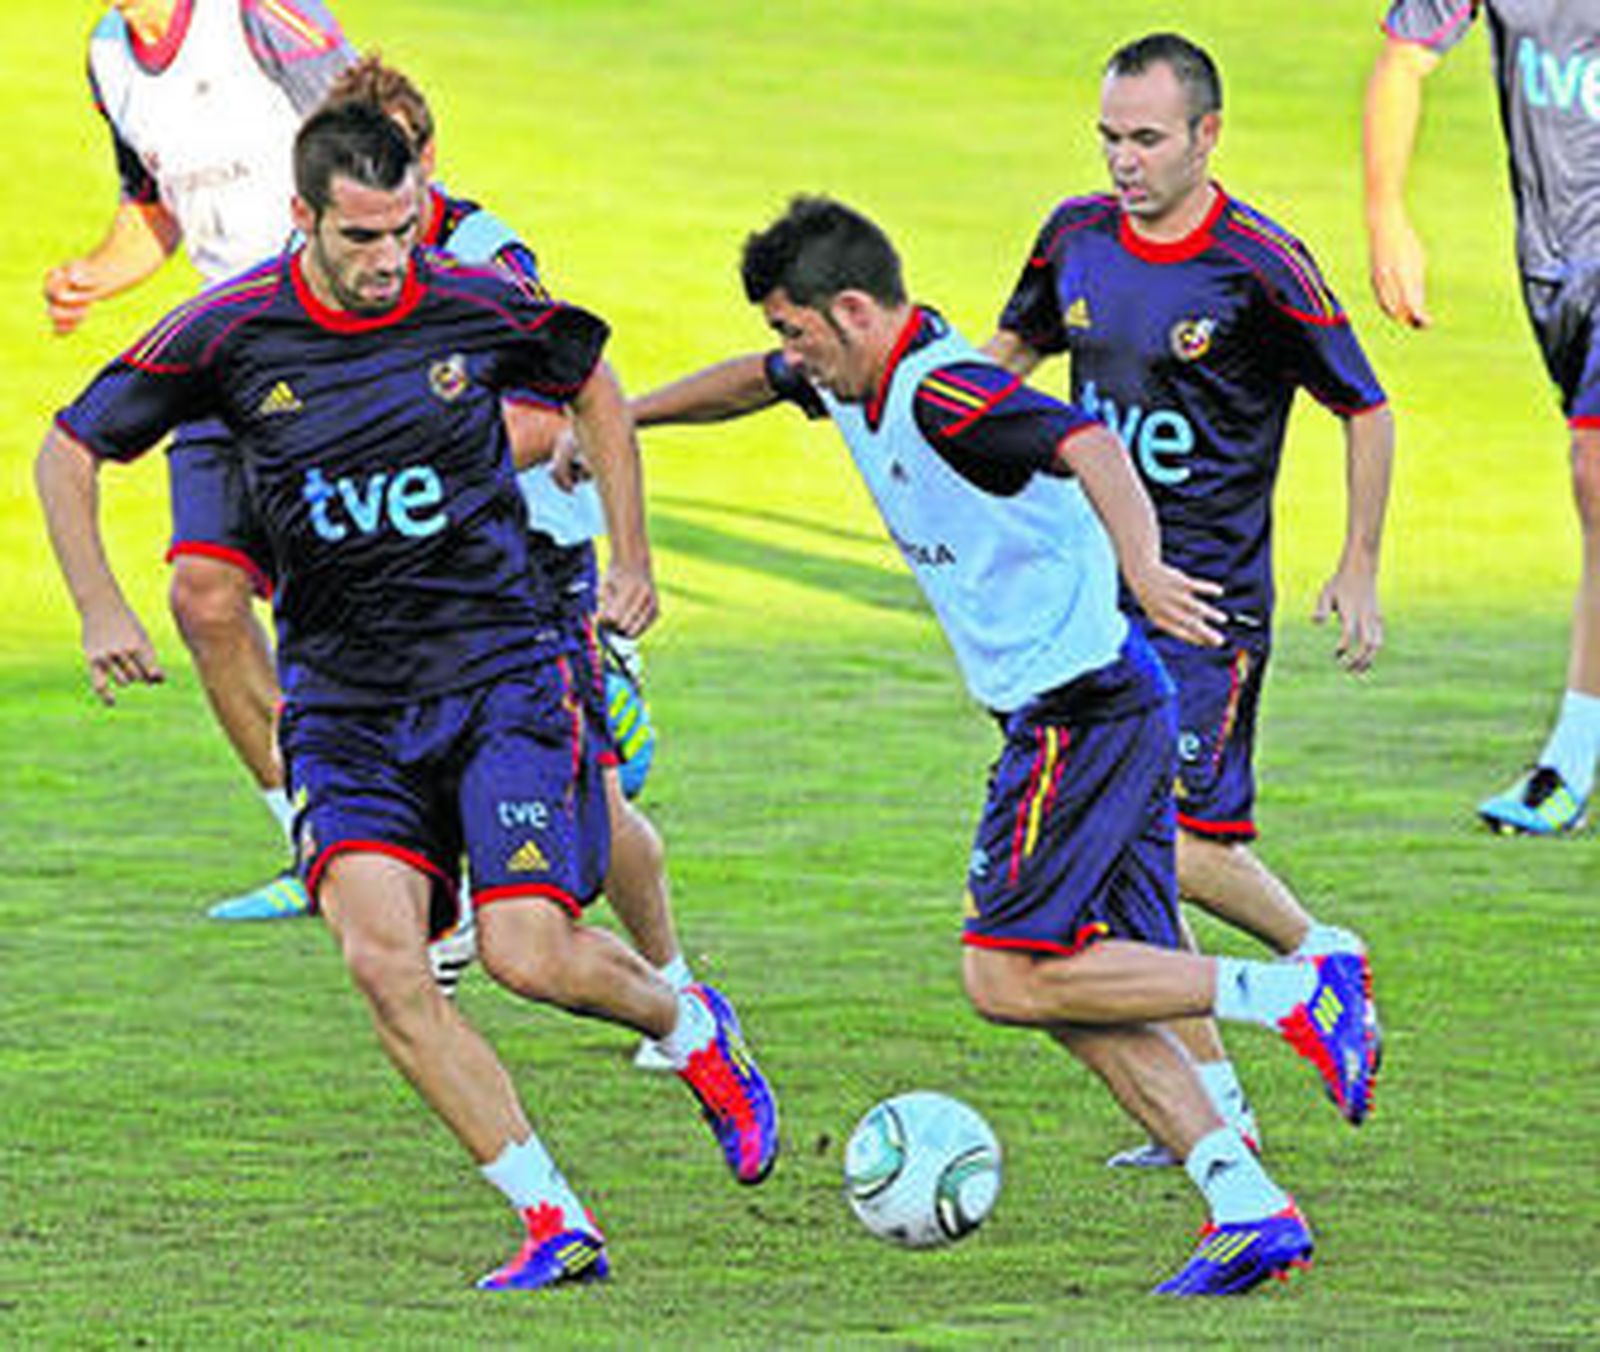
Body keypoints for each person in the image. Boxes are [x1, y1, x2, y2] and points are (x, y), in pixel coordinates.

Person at [34, 104, 779, 1291]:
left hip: (498, 678)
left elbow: (593, 378)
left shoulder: (466, 302)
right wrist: (100, 605)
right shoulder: (228, 332)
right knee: (385, 964)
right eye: (364, 236)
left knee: (531, 953)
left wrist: (631, 557)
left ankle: (690, 1029)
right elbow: (69, 448)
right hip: (343, 706)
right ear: (304, 219)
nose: (390, 259)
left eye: (403, 230)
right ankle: (549, 1215)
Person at [629, 194, 1381, 1296]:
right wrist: (623, 420)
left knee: (1002, 972)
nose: (790, 354)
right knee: (1074, 989)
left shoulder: (944, 390)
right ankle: (1245, 1201)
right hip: (1085, 707)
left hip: (1080, 712)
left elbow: (1085, 442)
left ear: (849, 310)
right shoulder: (852, 375)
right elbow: (752, 379)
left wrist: (1142, 566)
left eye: (797, 331)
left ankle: (1296, 993)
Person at [986, 32, 1395, 1169]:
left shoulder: (1258, 263)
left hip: (1203, 611)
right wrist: (941, 434)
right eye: (1110, 136)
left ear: (1207, 135)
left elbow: (1365, 406)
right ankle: (1218, 1114)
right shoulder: (1071, 235)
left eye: (1147, 138)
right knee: (1128, 869)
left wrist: (1356, 563)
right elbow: (1006, 353)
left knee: (1158, 839)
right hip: (1084, 604)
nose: (1123, 159)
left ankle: (1321, 956)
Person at [311, 54, 691, 1051]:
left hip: (528, 565)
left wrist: (404, 463)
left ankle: (674, 996)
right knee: (578, 804)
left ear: (426, 155)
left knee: (600, 815)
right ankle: (648, 987)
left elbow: (548, 407)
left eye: (396, 156)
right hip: (425, 581)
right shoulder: (334, 257)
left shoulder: (482, 258)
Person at [45, 0, 355, 918]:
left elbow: (381, 150)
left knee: (350, 591)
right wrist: (98, 274)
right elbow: (154, 205)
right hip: (225, 349)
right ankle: (315, 843)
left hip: (332, 338)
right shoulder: (109, 55)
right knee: (206, 599)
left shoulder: (261, 16)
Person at [1365, 1, 1600, 835]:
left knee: (1596, 475)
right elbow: (1405, 55)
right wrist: (1387, 213)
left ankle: (1571, 757)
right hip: (1558, 261)